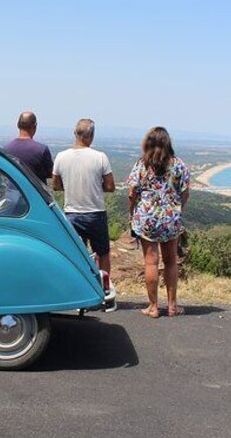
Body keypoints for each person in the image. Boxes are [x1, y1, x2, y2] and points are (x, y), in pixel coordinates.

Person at [126, 126, 191, 318]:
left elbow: (131, 193)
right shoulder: (179, 165)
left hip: (147, 218)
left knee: (151, 263)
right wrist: (177, 208)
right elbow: (185, 192)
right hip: (170, 218)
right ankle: (172, 306)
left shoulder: (142, 165)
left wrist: (133, 213)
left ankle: (153, 307)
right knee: (171, 261)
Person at [52, 118, 116, 274]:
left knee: (76, 254)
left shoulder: (61, 157)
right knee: (102, 253)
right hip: (95, 212)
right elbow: (110, 186)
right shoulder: (100, 157)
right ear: (91, 135)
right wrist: (94, 186)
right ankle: (104, 286)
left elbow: (56, 185)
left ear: (75, 134)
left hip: (72, 212)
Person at [3, 111, 53, 184]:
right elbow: (50, 173)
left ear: (18, 125)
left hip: (13, 192)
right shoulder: (42, 149)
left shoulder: (6, 148)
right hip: (34, 193)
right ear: (35, 126)